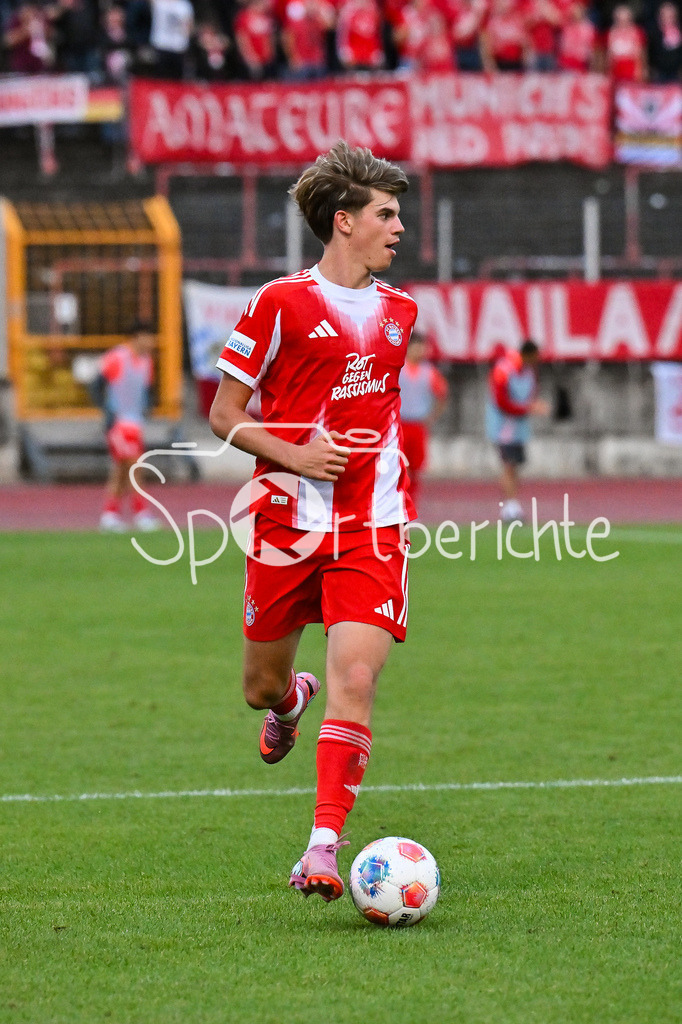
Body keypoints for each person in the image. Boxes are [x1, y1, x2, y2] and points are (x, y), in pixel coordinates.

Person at [209, 141, 417, 903]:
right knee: (260, 689)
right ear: (344, 222)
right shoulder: (278, 303)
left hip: (373, 523)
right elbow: (224, 414)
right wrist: (293, 455)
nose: (399, 228)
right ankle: (290, 703)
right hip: (285, 525)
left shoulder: (401, 312)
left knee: (357, 677)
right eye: (386, 214)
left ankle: (323, 846)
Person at [95, 321, 160, 533]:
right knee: (134, 468)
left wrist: (148, 406)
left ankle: (111, 514)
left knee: (123, 471)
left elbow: (146, 390)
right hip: (120, 424)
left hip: (135, 423)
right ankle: (140, 513)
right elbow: (96, 383)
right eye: (148, 336)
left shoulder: (146, 362)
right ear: (137, 336)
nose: (151, 341)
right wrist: (107, 412)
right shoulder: (117, 357)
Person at [486, 338, 549, 523]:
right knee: (508, 464)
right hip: (504, 426)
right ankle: (508, 505)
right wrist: (528, 409)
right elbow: (501, 401)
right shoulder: (503, 370)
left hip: (519, 427)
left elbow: (531, 395)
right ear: (528, 354)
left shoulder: (530, 372)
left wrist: (532, 406)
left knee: (515, 466)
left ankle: (513, 504)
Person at [398, 332, 449, 512]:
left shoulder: (429, 372)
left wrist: (432, 417)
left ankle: (411, 506)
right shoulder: (398, 368)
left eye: (423, 347)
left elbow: (442, 394)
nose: (420, 351)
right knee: (397, 467)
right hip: (399, 425)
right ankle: (398, 504)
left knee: (416, 469)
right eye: (417, 346)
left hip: (418, 425)